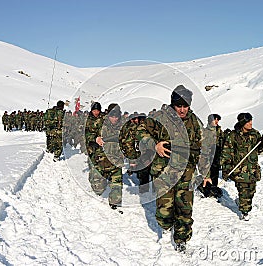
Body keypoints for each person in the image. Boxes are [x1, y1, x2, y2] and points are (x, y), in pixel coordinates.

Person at [135, 85, 212, 252]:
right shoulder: (159, 117)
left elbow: (203, 148)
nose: (183, 110)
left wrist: (205, 172)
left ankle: (182, 238)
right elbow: (140, 132)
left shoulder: (194, 121)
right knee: (164, 213)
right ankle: (167, 226)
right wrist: (153, 145)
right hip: (164, 173)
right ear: (173, 104)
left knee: (185, 210)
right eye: (179, 106)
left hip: (186, 173)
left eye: (186, 106)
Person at [220, 112, 263, 221]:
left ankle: (244, 203)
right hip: (240, 170)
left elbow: (259, 150)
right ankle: (245, 211)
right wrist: (226, 168)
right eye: (248, 121)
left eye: (251, 120)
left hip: (253, 170)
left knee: (251, 191)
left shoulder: (255, 134)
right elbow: (227, 152)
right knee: (244, 191)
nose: (251, 123)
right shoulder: (233, 136)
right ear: (242, 123)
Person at [90, 103, 124, 211]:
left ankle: (114, 204)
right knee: (98, 189)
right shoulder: (99, 123)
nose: (114, 119)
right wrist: (95, 138)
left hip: (116, 161)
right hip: (100, 160)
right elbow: (87, 134)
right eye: (112, 116)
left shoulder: (124, 126)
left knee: (117, 190)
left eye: (116, 117)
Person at [198, 114, 225, 198]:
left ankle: (214, 189)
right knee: (206, 173)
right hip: (207, 157)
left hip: (216, 157)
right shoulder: (205, 132)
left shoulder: (220, 132)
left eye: (218, 120)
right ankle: (206, 190)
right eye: (215, 120)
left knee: (215, 174)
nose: (216, 122)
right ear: (210, 121)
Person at [85, 102, 106, 195]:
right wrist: (94, 138)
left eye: (97, 110)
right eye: (94, 110)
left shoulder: (104, 118)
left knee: (100, 167)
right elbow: (85, 133)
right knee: (92, 165)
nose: (96, 112)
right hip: (91, 147)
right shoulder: (87, 120)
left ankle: (99, 188)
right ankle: (93, 181)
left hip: (102, 147)